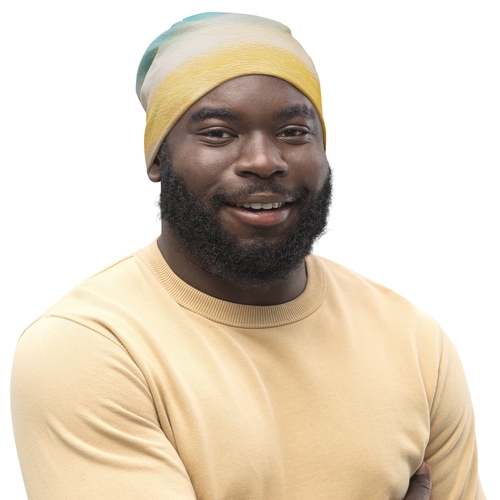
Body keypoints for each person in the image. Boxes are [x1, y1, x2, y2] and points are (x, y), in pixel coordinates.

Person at [11, 12, 484, 500]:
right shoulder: (88, 346)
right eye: (218, 133)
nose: (264, 161)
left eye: (293, 132)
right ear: (158, 159)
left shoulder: (414, 343)